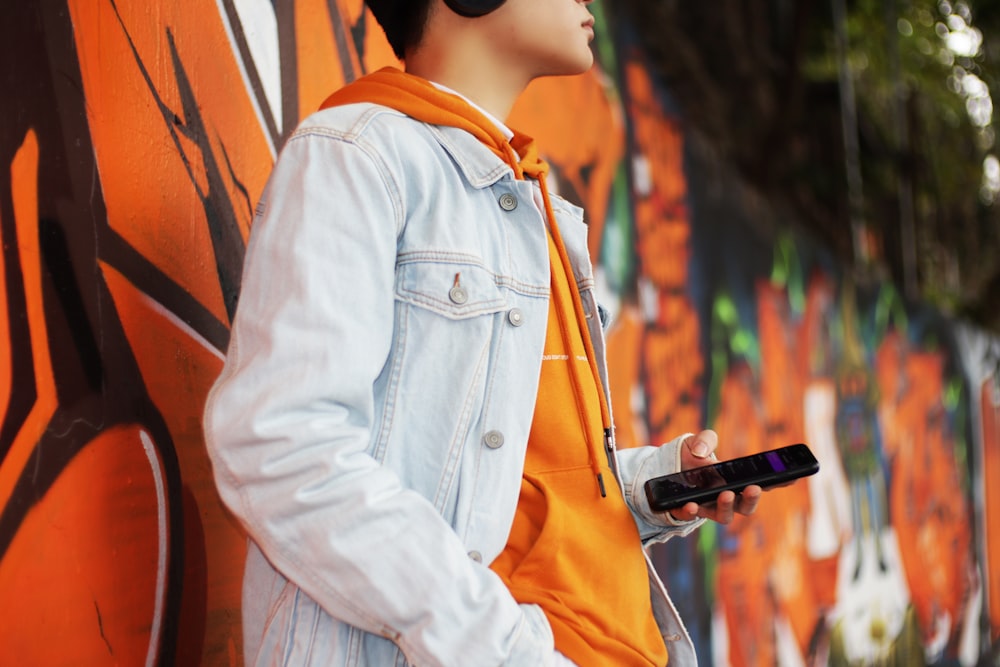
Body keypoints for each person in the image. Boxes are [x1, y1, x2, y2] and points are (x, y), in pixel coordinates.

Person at [203, 0, 763, 665]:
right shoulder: (356, 157)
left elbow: (512, 477)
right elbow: (281, 445)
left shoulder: (531, 206)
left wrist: (652, 485)